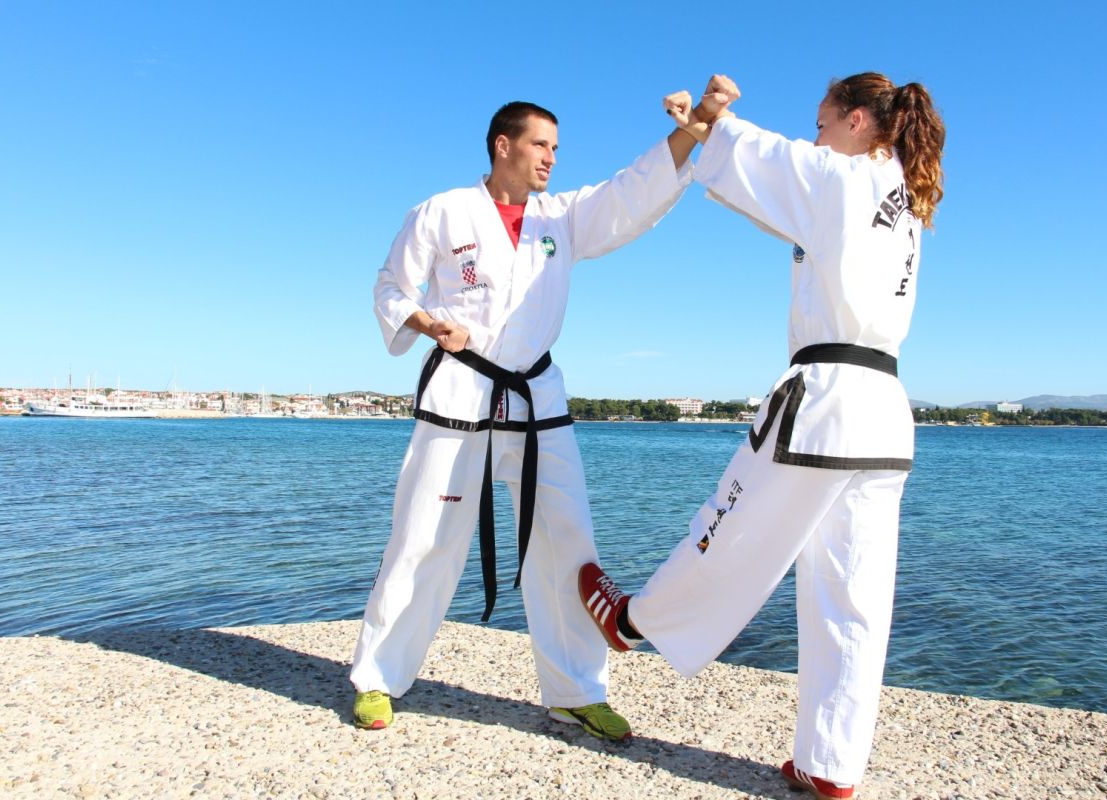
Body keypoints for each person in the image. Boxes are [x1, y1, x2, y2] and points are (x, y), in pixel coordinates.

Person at [579, 73, 945, 796]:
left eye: (823, 122)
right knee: (854, 595)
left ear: (857, 120)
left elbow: (769, 158)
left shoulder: (842, 179)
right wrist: (709, 130)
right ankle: (830, 764)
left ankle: (633, 622)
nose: (815, 136)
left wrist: (712, 119)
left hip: (828, 400)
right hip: (884, 415)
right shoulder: (901, 198)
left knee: (730, 523)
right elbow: (778, 195)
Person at [351, 100, 698, 741]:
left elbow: (628, 195)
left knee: (567, 542)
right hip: (460, 393)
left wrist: (688, 134)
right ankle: (377, 677)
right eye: (541, 145)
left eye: (556, 149)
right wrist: (428, 323)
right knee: (425, 538)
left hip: (537, 398)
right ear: (503, 145)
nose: (551, 158)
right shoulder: (442, 211)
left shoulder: (559, 217)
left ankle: (576, 693)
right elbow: (390, 288)